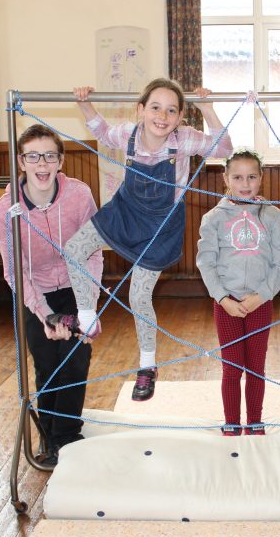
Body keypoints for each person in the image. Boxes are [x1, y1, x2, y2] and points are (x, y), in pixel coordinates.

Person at [56, 79, 233, 403]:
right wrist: (84, 103)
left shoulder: (182, 140)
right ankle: (86, 318)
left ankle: (147, 366)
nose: (162, 116)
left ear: (180, 117)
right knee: (74, 248)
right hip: (125, 212)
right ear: (141, 110)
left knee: (139, 296)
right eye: (155, 107)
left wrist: (207, 108)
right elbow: (102, 132)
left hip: (160, 225)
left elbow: (224, 149)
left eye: (170, 110)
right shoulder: (130, 133)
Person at [0, 124, 103, 467]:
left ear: (60, 161)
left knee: (75, 359)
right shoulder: (5, 209)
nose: (42, 164)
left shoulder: (79, 195)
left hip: (75, 288)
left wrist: (87, 306)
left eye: (50, 155)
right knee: (48, 363)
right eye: (33, 156)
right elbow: (14, 271)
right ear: (21, 162)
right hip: (34, 293)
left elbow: (94, 252)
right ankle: (50, 436)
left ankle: (67, 435)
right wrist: (44, 315)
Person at [196, 149, 280, 436]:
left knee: (255, 366)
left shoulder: (274, 216)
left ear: (261, 178)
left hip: (260, 302)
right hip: (227, 305)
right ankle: (231, 421)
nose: (245, 183)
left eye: (251, 176)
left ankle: (255, 420)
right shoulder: (213, 218)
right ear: (225, 178)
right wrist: (223, 299)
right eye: (237, 177)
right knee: (232, 366)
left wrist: (262, 295)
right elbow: (206, 262)